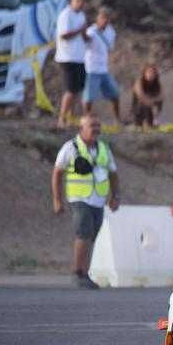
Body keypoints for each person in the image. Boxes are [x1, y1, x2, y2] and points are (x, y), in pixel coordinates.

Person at [52, 115, 120, 290]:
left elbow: (113, 173)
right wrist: (57, 199)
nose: (96, 129)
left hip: (98, 200)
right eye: (92, 126)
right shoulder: (70, 147)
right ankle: (78, 272)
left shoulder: (103, 148)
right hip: (79, 199)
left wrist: (115, 196)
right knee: (84, 233)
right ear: (81, 129)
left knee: (91, 236)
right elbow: (57, 173)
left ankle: (85, 272)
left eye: (98, 125)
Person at [55, 0, 90, 128]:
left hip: (79, 58)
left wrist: (86, 35)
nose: (79, 4)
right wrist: (79, 30)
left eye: (82, 1)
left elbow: (83, 35)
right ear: (72, 1)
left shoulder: (81, 15)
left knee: (77, 90)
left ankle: (70, 118)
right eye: (77, 1)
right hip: (67, 57)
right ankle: (61, 119)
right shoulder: (65, 15)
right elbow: (64, 35)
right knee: (70, 90)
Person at [82, 8, 121, 125]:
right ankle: (86, 119)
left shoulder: (111, 31)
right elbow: (86, 39)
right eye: (102, 17)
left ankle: (117, 120)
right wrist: (82, 32)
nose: (105, 20)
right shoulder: (91, 31)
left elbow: (110, 48)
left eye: (107, 18)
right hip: (91, 69)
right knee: (89, 97)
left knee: (115, 93)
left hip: (104, 69)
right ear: (97, 18)